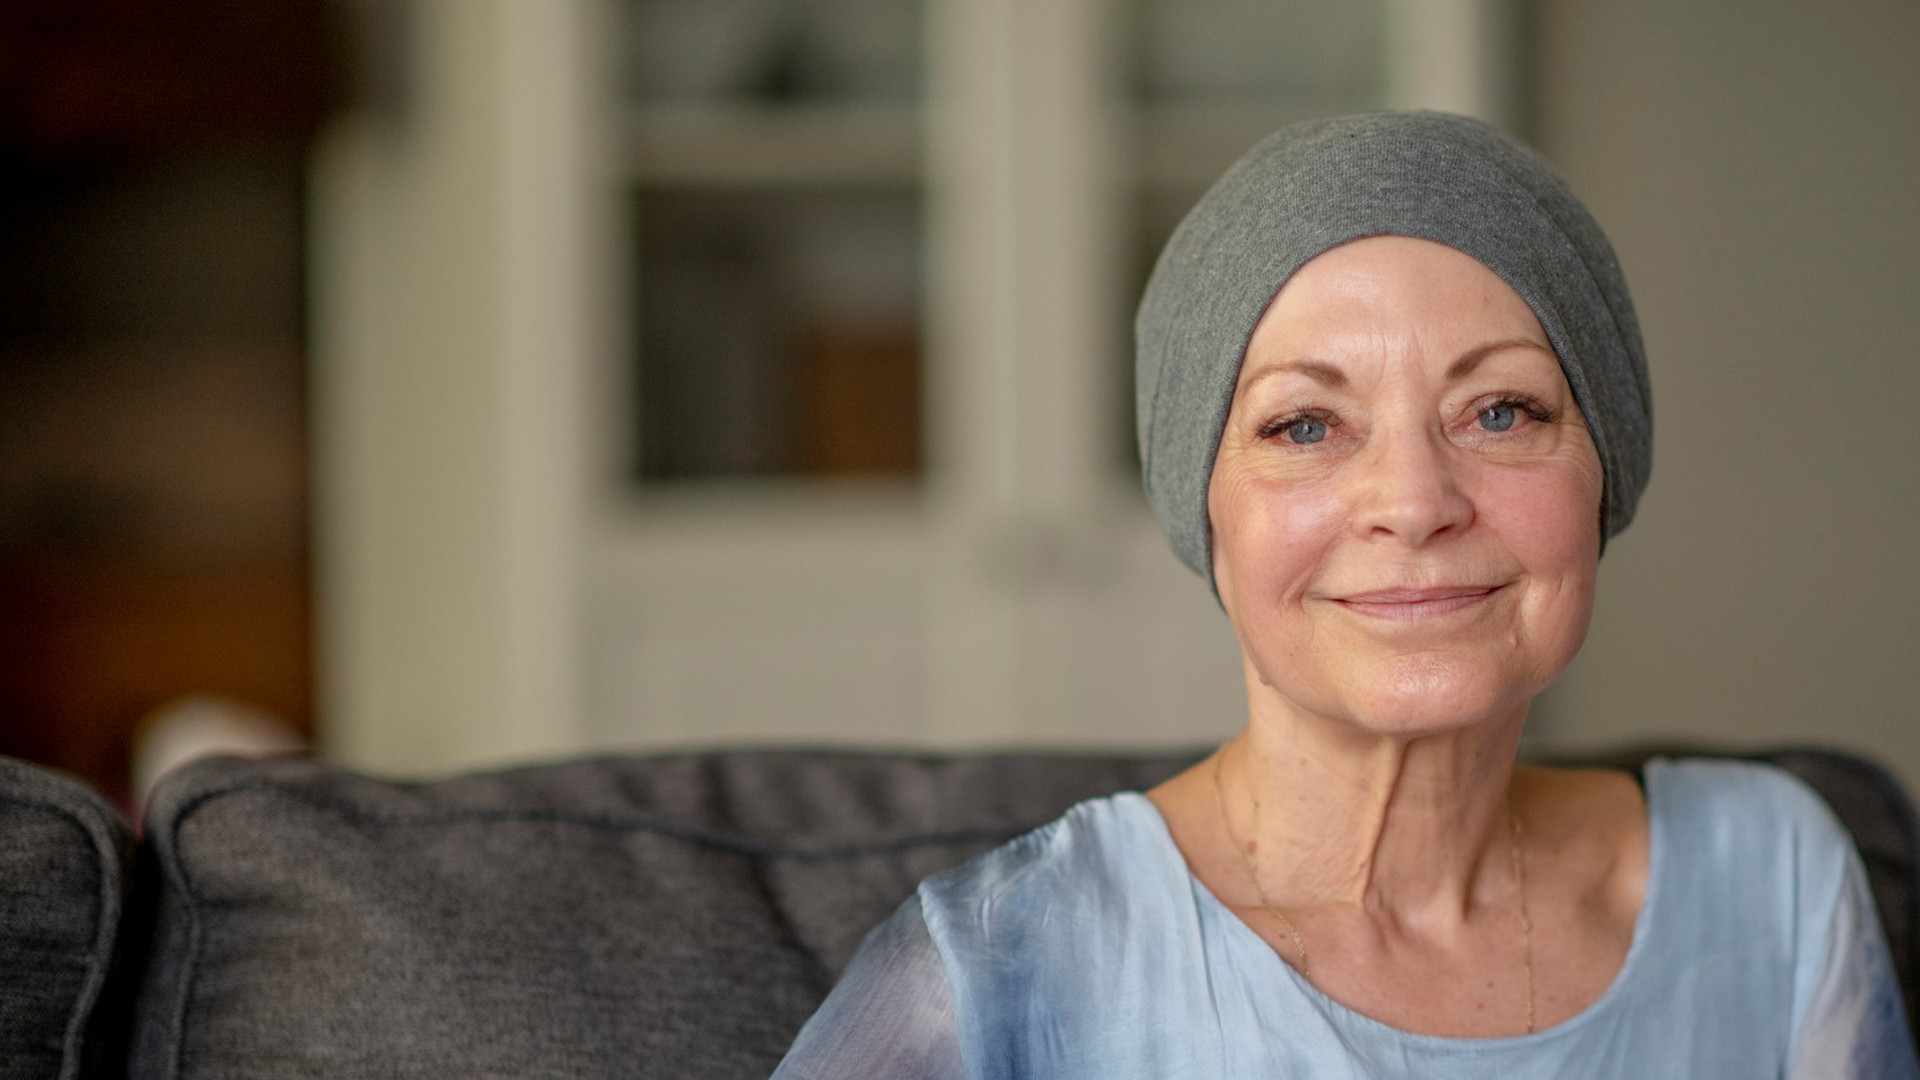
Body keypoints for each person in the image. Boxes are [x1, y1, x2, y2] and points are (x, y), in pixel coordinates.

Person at [768, 111, 1918, 1078]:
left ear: (1604, 471)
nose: (1414, 503)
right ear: (1204, 507)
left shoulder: (1776, 878)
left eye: (1501, 411)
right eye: (1305, 425)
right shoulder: (1002, 962)